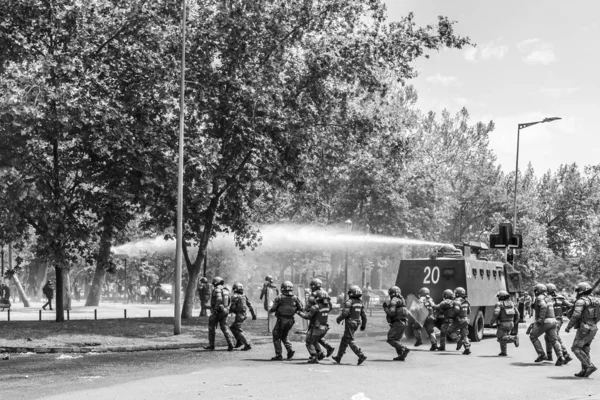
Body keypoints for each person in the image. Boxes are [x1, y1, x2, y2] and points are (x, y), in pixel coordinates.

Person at [565, 282, 599, 378]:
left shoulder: (581, 301)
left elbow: (576, 315)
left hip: (584, 327)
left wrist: (568, 327)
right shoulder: (596, 300)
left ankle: (589, 366)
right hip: (593, 327)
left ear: (581, 290)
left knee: (575, 348)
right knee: (585, 348)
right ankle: (584, 370)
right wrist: (594, 322)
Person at [529, 283, 564, 365]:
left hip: (545, 321)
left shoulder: (540, 297)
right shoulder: (548, 297)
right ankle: (560, 356)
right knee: (554, 340)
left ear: (538, 290)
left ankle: (542, 354)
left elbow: (543, 306)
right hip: (553, 321)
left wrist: (540, 318)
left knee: (533, 336)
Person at [332, 285, 367, 365]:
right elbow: (364, 316)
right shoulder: (360, 303)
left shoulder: (349, 302)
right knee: (344, 340)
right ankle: (338, 357)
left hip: (350, 323)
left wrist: (339, 319)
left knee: (350, 340)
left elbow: (346, 313)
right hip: (356, 323)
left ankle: (361, 355)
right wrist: (363, 325)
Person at [269, 281, 303, 360]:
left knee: (276, 336)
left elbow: (273, 309)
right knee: (284, 335)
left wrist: (270, 309)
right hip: (290, 320)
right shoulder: (295, 297)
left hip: (281, 320)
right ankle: (290, 349)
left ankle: (278, 355)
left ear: (282, 288)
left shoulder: (279, 298)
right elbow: (301, 308)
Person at [297, 289, 331, 363]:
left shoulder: (315, 307)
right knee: (314, 340)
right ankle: (320, 353)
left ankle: (314, 357)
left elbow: (307, 316)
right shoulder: (327, 306)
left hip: (316, 328)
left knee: (309, 342)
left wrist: (299, 313)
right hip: (324, 328)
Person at [306, 278, 335, 358]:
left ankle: (317, 354)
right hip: (322, 317)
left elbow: (309, 306)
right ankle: (327, 348)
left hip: (314, 317)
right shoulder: (324, 293)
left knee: (312, 336)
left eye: (312, 285)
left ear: (314, 285)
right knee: (317, 336)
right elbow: (330, 306)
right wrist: (323, 313)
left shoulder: (314, 294)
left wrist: (311, 312)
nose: (311, 287)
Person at [204, 277, 235, 351]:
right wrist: (227, 309)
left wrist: (215, 309)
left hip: (218, 311)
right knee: (224, 327)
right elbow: (230, 301)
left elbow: (219, 299)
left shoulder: (217, 289)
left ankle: (211, 345)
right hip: (225, 310)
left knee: (211, 327)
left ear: (216, 282)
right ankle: (231, 344)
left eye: (213, 282)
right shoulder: (226, 290)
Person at [546, 283, 573, 364]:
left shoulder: (547, 298)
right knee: (547, 337)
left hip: (552, 320)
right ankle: (549, 356)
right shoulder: (561, 298)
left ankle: (565, 355)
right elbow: (571, 305)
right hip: (559, 320)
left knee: (555, 337)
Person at [489, 290, 520, 356]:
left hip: (503, 323)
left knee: (500, 337)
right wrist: (515, 322)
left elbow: (496, 313)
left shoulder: (499, 304)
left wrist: (491, 322)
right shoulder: (512, 303)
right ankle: (503, 352)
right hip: (511, 323)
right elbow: (517, 314)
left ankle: (514, 338)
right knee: (505, 336)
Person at [383, 286, 410, 361]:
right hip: (403, 322)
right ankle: (401, 355)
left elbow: (391, 313)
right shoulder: (402, 300)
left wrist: (385, 308)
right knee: (396, 340)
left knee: (391, 338)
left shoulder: (394, 301)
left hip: (398, 322)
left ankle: (404, 349)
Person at [229, 282, 256, 351]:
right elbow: (250, 305)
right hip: (243, 315)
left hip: (239, 315)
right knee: (232, 327)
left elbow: (232, 307)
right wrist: (253, 314)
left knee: (238, 329)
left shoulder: (235, 296)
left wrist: (226, 313)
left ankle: (247, 344)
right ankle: (239, 341)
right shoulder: (243, 296)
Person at [448, 287, 472, 355]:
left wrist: (451, 316)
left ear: (457, 293)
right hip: (466, 320)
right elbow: (469, 311)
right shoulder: (466, 301)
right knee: (464, 335)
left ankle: (459, 340)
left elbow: (456, 310)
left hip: (459, 320)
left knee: (449, 331)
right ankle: (467, 349)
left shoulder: (457, 301)